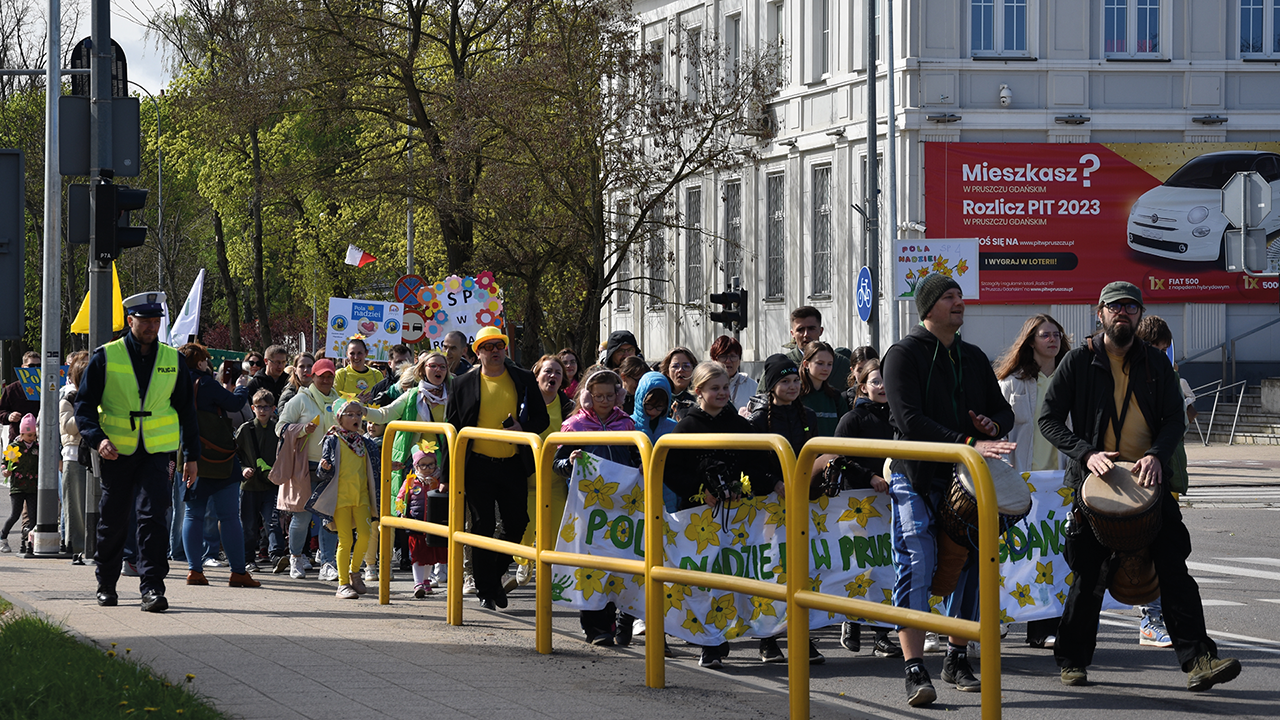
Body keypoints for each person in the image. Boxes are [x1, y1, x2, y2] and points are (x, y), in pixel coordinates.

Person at [1041, 281, 1240, 692]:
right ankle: (1073, 660)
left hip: (1149, 482)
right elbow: (1049, 419)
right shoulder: (1078, 361)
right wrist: (1084, 453)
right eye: (1114, 307)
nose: (1122, 313)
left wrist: (1156, 455)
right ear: (1100, 314)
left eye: (1130, 307)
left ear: (1139, 314)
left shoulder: (1155, 363)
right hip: (1096, 485)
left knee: (1174, 569)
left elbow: (1173, 419)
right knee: (1089, 575)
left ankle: (1199, 659)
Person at [881, 273, 1015, 706]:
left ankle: (956, 655)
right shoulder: (903, 354)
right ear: (928, 308)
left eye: (960, 296)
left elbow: (1002, 412)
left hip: (965, 477)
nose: (960, 302)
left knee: (974, 560)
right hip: (916, 474)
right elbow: (908, 420)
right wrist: (971, 443)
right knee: (919, 561)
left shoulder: (973, 356)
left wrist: (992, 425)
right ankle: (913, 667)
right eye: (949, 297)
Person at [75, 292, 202, 612]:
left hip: (158, 452)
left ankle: (152, 588)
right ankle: (106, 584)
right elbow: (85, 406)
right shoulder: (106, 356)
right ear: (130, 321)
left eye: (155, 321)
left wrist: (192, 456)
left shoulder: (172, 359)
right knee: (114, 520)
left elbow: (187, 410)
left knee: (153, 518)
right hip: (117, 451)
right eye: (145, 321)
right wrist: (97, 439)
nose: (151, 327)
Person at [663, 361, 783, 669]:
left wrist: (772, 483)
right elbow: (670, 470)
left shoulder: (741, 425)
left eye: (725, 387)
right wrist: (700, 490)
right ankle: (711, 643)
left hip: (741, 515)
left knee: (751, 573)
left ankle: (767, 638)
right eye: (714, 388)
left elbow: (757, 465)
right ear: (698, 391)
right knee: (707, 581)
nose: (722, 393)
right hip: (699, 517)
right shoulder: (687, 426)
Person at [445, 325, 550, 610]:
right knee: (482, 525)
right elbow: (451, 430)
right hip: (477, 465)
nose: (494, 352)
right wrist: (445, 475)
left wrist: (522, 427)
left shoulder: (523, 378)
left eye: (499, 346)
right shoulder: (462, 383)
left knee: (518, 522)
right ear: (477, 353)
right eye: (487, 347)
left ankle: (491, 577)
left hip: (512, 462)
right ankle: (486, 589)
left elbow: (541, 420)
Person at [994, 313, 1071, 649]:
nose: (1052, 339)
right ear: (1030, 341)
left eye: (1056, 334)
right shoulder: (1011, 383)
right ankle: (1001, 615)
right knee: (1014, 557)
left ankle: (1042, 628)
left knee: (1051, 557)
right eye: (1045, 334)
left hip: (1058, 485)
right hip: (1021, 483)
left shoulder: (1071, 380)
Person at [553, 368, 643, 646]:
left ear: (619, 395)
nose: (604, 401)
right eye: (598, 396)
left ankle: (618, 620)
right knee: (591, 564)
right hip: (587, 508)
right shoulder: (574, 426)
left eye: (609, 395)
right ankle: (595, 627)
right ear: (587, 397)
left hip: (621, 506)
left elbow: (636, 457)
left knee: (618, 562)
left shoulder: (627, 424)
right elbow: (557, 463)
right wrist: (570, 464)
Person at [745, 355, 822, 665]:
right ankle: (768, 639)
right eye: (784, 381)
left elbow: (813, 452)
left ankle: (800, 636)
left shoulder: (810, 415)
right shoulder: (758, 419)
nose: (791, 387)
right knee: (773, 570)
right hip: (769, 505)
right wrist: (775, 482)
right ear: (772, 386)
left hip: (801, 501)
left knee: (804, 569)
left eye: (794, 381)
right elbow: (752, 462)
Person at [1131, 314, 1195, 650]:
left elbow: (1183, 424)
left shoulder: (1171, 377)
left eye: (1166, 349)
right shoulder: (1133, 379)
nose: (1163, 355)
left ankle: (1155, 617)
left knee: (1166, 551)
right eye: (1157, 348)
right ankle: (1149, 619)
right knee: (1140, 551)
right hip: (1141, 476)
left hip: (1167, 474)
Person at [830, 359, 902, 659]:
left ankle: (882, 634)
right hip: (858, 501)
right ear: (863, 386)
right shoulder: (852, 419)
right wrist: (869, 477)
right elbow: (839, 456)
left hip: (890, 501)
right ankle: (852, 620)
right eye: (875, 381)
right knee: (860, 565)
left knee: (885, 567)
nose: (882, 386)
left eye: (886, 380)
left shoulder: (899, 417)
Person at [178, 343, 260, 589]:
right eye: (205, 360)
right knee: (229, 516)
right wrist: (241, 388)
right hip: (219, 459)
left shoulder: (177, 384)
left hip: (190, 456)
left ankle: (194, 570)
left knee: (193, 515)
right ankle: (237, 572)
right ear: (200, 362)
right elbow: (233, 405)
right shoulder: (205, 383)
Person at [277, 357, 343, 581]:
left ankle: (328, 563)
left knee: (328, 518)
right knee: (302, 517)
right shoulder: (300, 399)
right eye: (321, 375)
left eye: (329, 375)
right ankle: (295, 558)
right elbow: (280, 427)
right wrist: (302, 429)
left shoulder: (339, 400)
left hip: (331, 466)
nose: (325, 379)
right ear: (312, 376)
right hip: (304, 465)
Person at [310, 398, 381, 599]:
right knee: (345, 540)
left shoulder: (365, 442)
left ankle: (354, 571)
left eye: (359, 414)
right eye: (350, 414)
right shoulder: (332, 440)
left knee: (366, 536)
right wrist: (323, 468)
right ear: (340, 417)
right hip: (340, 498)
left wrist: (387, 465)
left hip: (362, 497)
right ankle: (342, 584)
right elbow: (323, 473)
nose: (356, 418)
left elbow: (374, 466)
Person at [515, 354, 574, 586]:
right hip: (528, 473)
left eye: (558, 373)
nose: (553, 376)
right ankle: (524, 560)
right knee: (526, 525)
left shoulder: (569, 406)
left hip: (556, 476)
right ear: (536, 375)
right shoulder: (522, 402)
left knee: (555, 524)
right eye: (548, 371)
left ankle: (545, 566)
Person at [236, 389, 284, 571]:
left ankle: (277, 556)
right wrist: (243, 469)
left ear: (273, 409)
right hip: (249, 486)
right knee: (248, 525)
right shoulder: (246, 429)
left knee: (272, 522)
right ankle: (248, 559)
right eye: (258, 407)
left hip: (271, 485)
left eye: (266, 407)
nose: (262, 410)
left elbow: (284, 455)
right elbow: (235, 454)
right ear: (252, 408)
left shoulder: (277, 430)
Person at [395, 444, 446, 597]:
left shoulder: (439, 481)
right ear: (416, 466)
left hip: (433, 525)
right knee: (417, 555)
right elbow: (400, 498)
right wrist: (401, 511)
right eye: (423, 465)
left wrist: (435, 485)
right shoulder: (411, 481)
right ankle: (418, 583)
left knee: (430, 556)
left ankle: (426, 581)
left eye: (431, 464)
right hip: (416, 524)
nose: (427, 468)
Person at [765, 307, 850, 391]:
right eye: (800, 330)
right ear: (793, 333)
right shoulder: (781, 365)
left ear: (820, 331)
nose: (806, 334)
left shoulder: (841, 364)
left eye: (811, 329)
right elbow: (761, 397)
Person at [58, 351, 92, 563]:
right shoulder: (69, 397)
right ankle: (78, 548)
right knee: (76, 508)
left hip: (96, 457)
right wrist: (85, 411)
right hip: (74, 456)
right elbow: (68, 427)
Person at [630, 371, 679, 512]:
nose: (654, 411)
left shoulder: (672, 426)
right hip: (637, 491)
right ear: (640, 399)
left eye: (659, 407)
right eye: (649, 405)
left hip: (668, 490)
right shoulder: (629, 424)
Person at [1, 413, 39, 554]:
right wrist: (5, 471)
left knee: (34, 517)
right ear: (22, 434)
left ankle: (31, 543)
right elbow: (5, 463)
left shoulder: (37, 447)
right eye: (29, 435)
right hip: (17, 487)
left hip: (32, 487)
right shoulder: (14, 447)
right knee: (15, 515)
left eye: (34, 435)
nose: (32, 438)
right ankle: (3, 537)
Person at [798, 341, 849, 437]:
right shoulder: (796, 394)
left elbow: (845, 430)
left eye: (829, 364)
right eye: (820, 363)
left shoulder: (835, 397)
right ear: (806, 364)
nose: (825, 368)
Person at [708, 335, 758, 412]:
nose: (728, 361)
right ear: (714, 360)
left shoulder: (752, 386)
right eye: (723, 356)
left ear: (739, 360)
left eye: (733, 356)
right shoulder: (706, 384)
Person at [1, 351, 41, 441]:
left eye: (38, 366)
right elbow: (1, 411)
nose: (35, 369)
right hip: (18, 439)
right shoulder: (12, 389)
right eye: (31, 366)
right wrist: (9, 416)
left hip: (42, 439)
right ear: (23, 367)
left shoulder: (48, 389)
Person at [334, 338, 383, 402]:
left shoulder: (377, 375)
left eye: (359, 353)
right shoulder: (340, 374)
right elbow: (334, 400)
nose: (356, 357)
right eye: (352, 353)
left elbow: (382, 400)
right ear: (347, 354)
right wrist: (355, 401)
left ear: (366, 353)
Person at [659, 347, 698, 421]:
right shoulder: (661, 397)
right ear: (667, 372)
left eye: (686, 366)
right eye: (675, 366)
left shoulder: (700, 398)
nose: (680, 370)